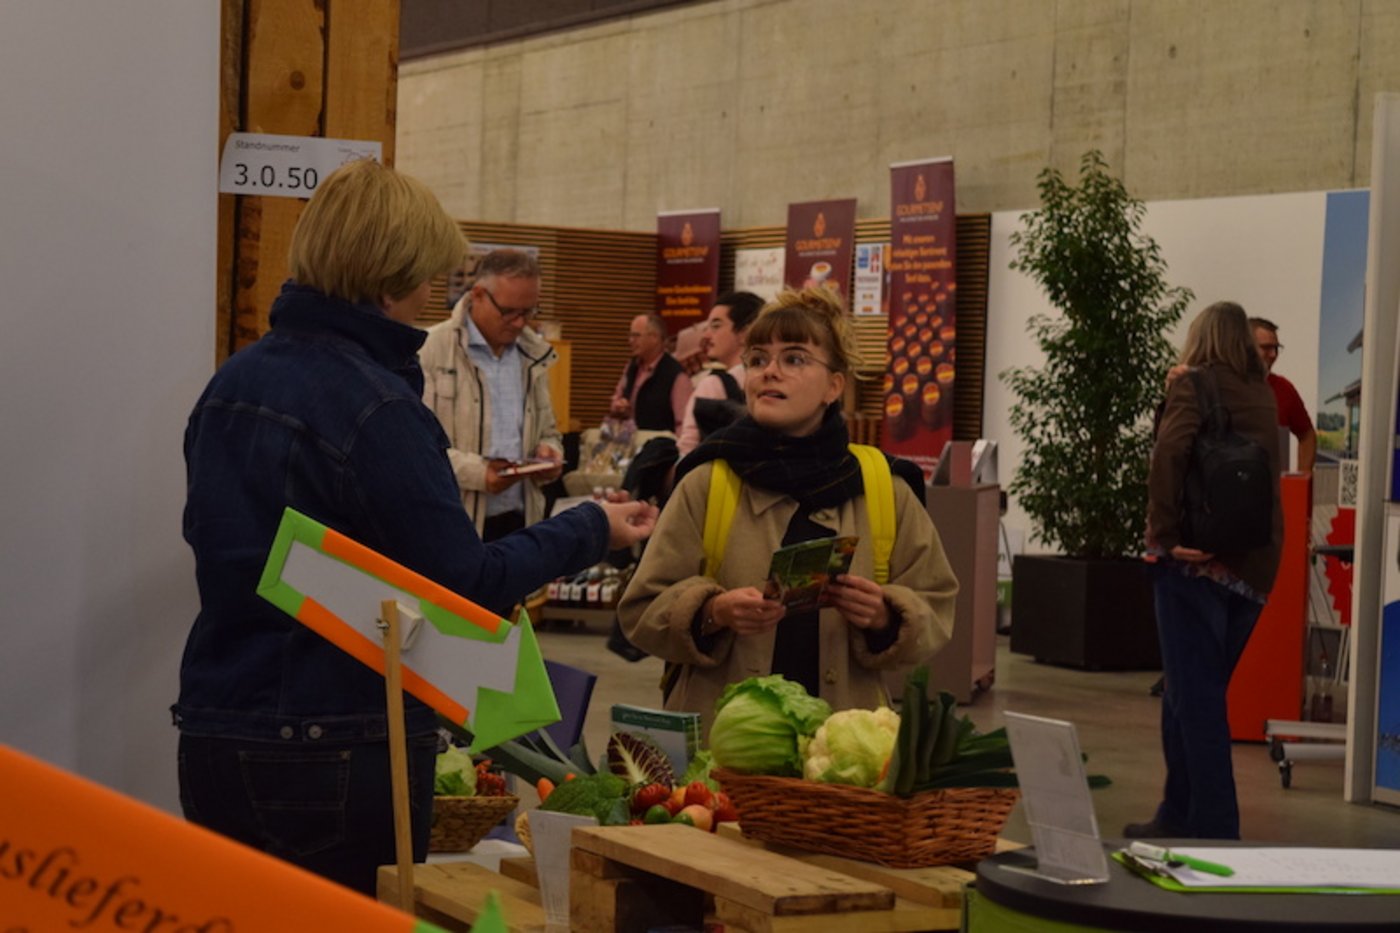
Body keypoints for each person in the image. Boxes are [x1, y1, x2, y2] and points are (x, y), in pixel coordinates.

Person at [174, 159, 657, 896]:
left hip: (215, 729)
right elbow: (465, 582)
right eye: (428, 276)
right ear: (390, 277)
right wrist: (590, 527)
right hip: (334, 742)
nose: (432, 295)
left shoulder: (230, 384)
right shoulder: (377, 408)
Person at [616, 287, 958, 733]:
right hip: (724, 747)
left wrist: (884, 615)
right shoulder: (706, 481)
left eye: (794, 358)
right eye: (758, 359)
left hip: (843, 749)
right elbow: (641, 610)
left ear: (834, 386)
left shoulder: (884, 487)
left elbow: (936, 605)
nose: (770, 371)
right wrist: (713, 611)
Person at [1128, 300, 1282, 840]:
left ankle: (1217, 830)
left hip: (1195, 565)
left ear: (1200, 338)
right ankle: (1177, 813)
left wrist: (1167, 537)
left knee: (1196, 702)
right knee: (1187, 693)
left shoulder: (1193, 384)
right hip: (1254, 568)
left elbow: (1169, 454)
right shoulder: (1263, 393)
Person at [420, 249, 563, 540]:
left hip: (521, 522)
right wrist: (479, 474)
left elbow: (549, 432)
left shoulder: (534, 354)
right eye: (509, 311)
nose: (520, 323)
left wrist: (549, 454)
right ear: (478, 295)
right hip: (452, 524)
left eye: (528, 312)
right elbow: (416, 447)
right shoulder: (431, 349)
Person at [675, 291, 765, 457]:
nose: (706, 335)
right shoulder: (774, 379)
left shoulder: (713, 385)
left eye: (716, 326)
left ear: (745, 333)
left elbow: (688, 449)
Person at [1250, 316, 1317, 473]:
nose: (1273, 354)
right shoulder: (1223, 386)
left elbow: (1307, 435)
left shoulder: (1284, 388)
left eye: (1276, 348)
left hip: (1271, 485)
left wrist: (1302, 478)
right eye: (1266, 348)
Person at [609, 313, 692, 433]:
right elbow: (617, 399)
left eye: (636, 336)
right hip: (628, 440)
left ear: (654, 338)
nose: (630, 341)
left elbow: (684, 424)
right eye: (630, 335)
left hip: (659, 443)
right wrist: (618, 407)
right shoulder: (631, 367)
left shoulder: (677, 376)